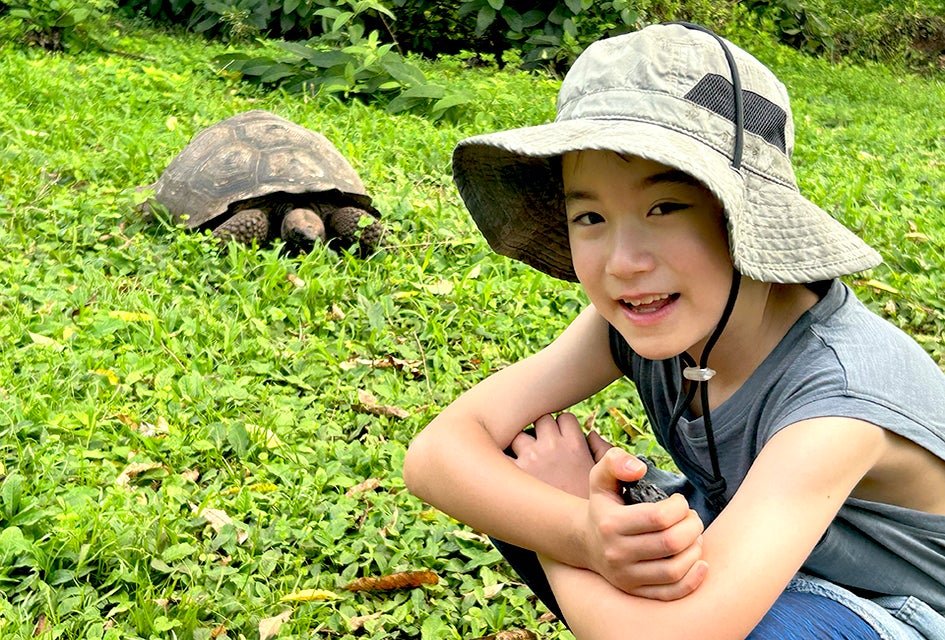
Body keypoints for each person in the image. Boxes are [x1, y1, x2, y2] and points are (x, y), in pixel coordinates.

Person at [402, 22, 945, 640]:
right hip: (752, 555)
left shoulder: (840, 398)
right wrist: (581, 531)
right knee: (508, 465)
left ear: (747, 219)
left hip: (899, 612)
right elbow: (437, 454)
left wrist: (571, 518)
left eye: (665, 208)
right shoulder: (647, 313)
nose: (622, 262)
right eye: (590, 216)